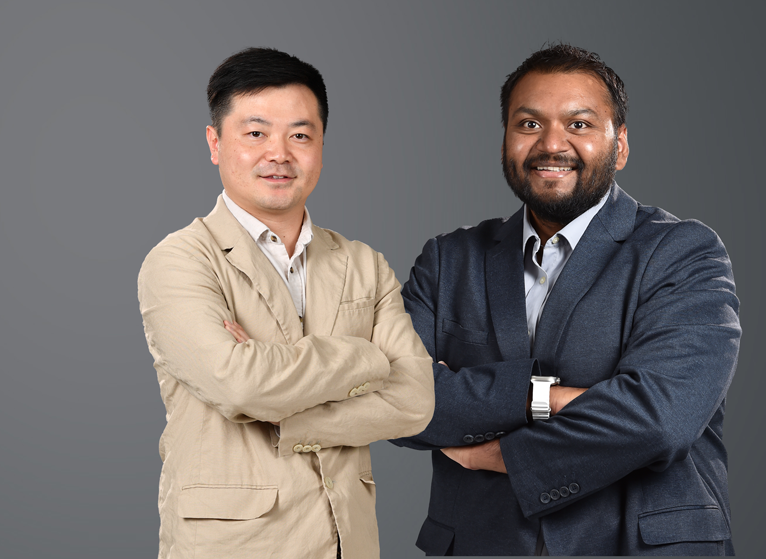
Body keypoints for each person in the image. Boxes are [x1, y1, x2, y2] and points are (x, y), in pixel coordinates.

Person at [391, 44, 740, 556]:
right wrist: (546, 397)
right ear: (506, 139)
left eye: (579, 125)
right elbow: (386, 394)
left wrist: (496, 452)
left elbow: (660, 420)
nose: (551, 144)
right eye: (529, 124)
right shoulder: (449, 260)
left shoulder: (683, 252)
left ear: (619, 145)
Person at [138, 47, 434, 559]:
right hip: (233, 545)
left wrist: (288, 415)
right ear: (214, 142)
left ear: (321, 144)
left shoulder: (364, 263)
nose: (279, 153)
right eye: (255, 133)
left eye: (300, 135)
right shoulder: (180, 261)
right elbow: (240, 384)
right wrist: (367, 359)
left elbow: (414, 400)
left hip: (350, 541)